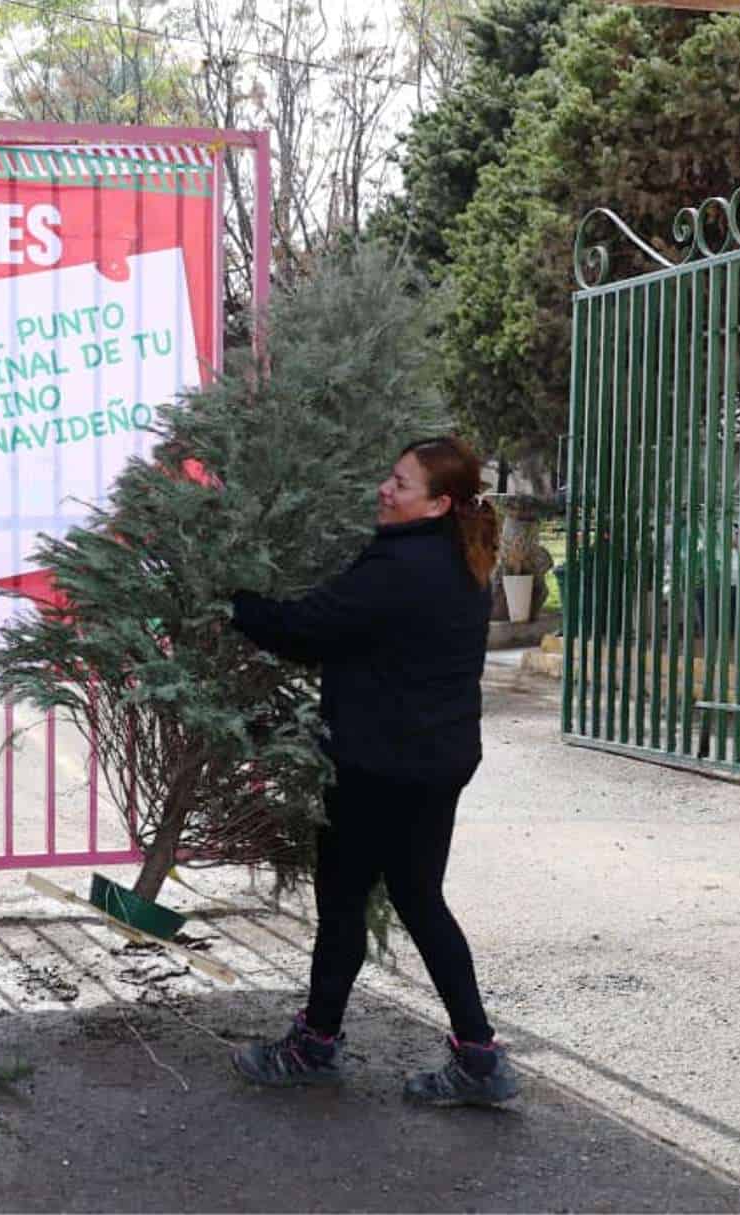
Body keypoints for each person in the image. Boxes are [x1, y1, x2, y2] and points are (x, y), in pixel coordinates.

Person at [226, 435, 518, 1107]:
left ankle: (315, 1046)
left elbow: (308, 627)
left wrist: (232, 603)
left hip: (378, 766)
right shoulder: (462, 556)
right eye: (389, 476)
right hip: (436, 762)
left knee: (343, 903)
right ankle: (478, 1056)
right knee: (419, 898)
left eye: (401, 484)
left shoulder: (401, 566)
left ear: (438, 502)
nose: (385, 489)